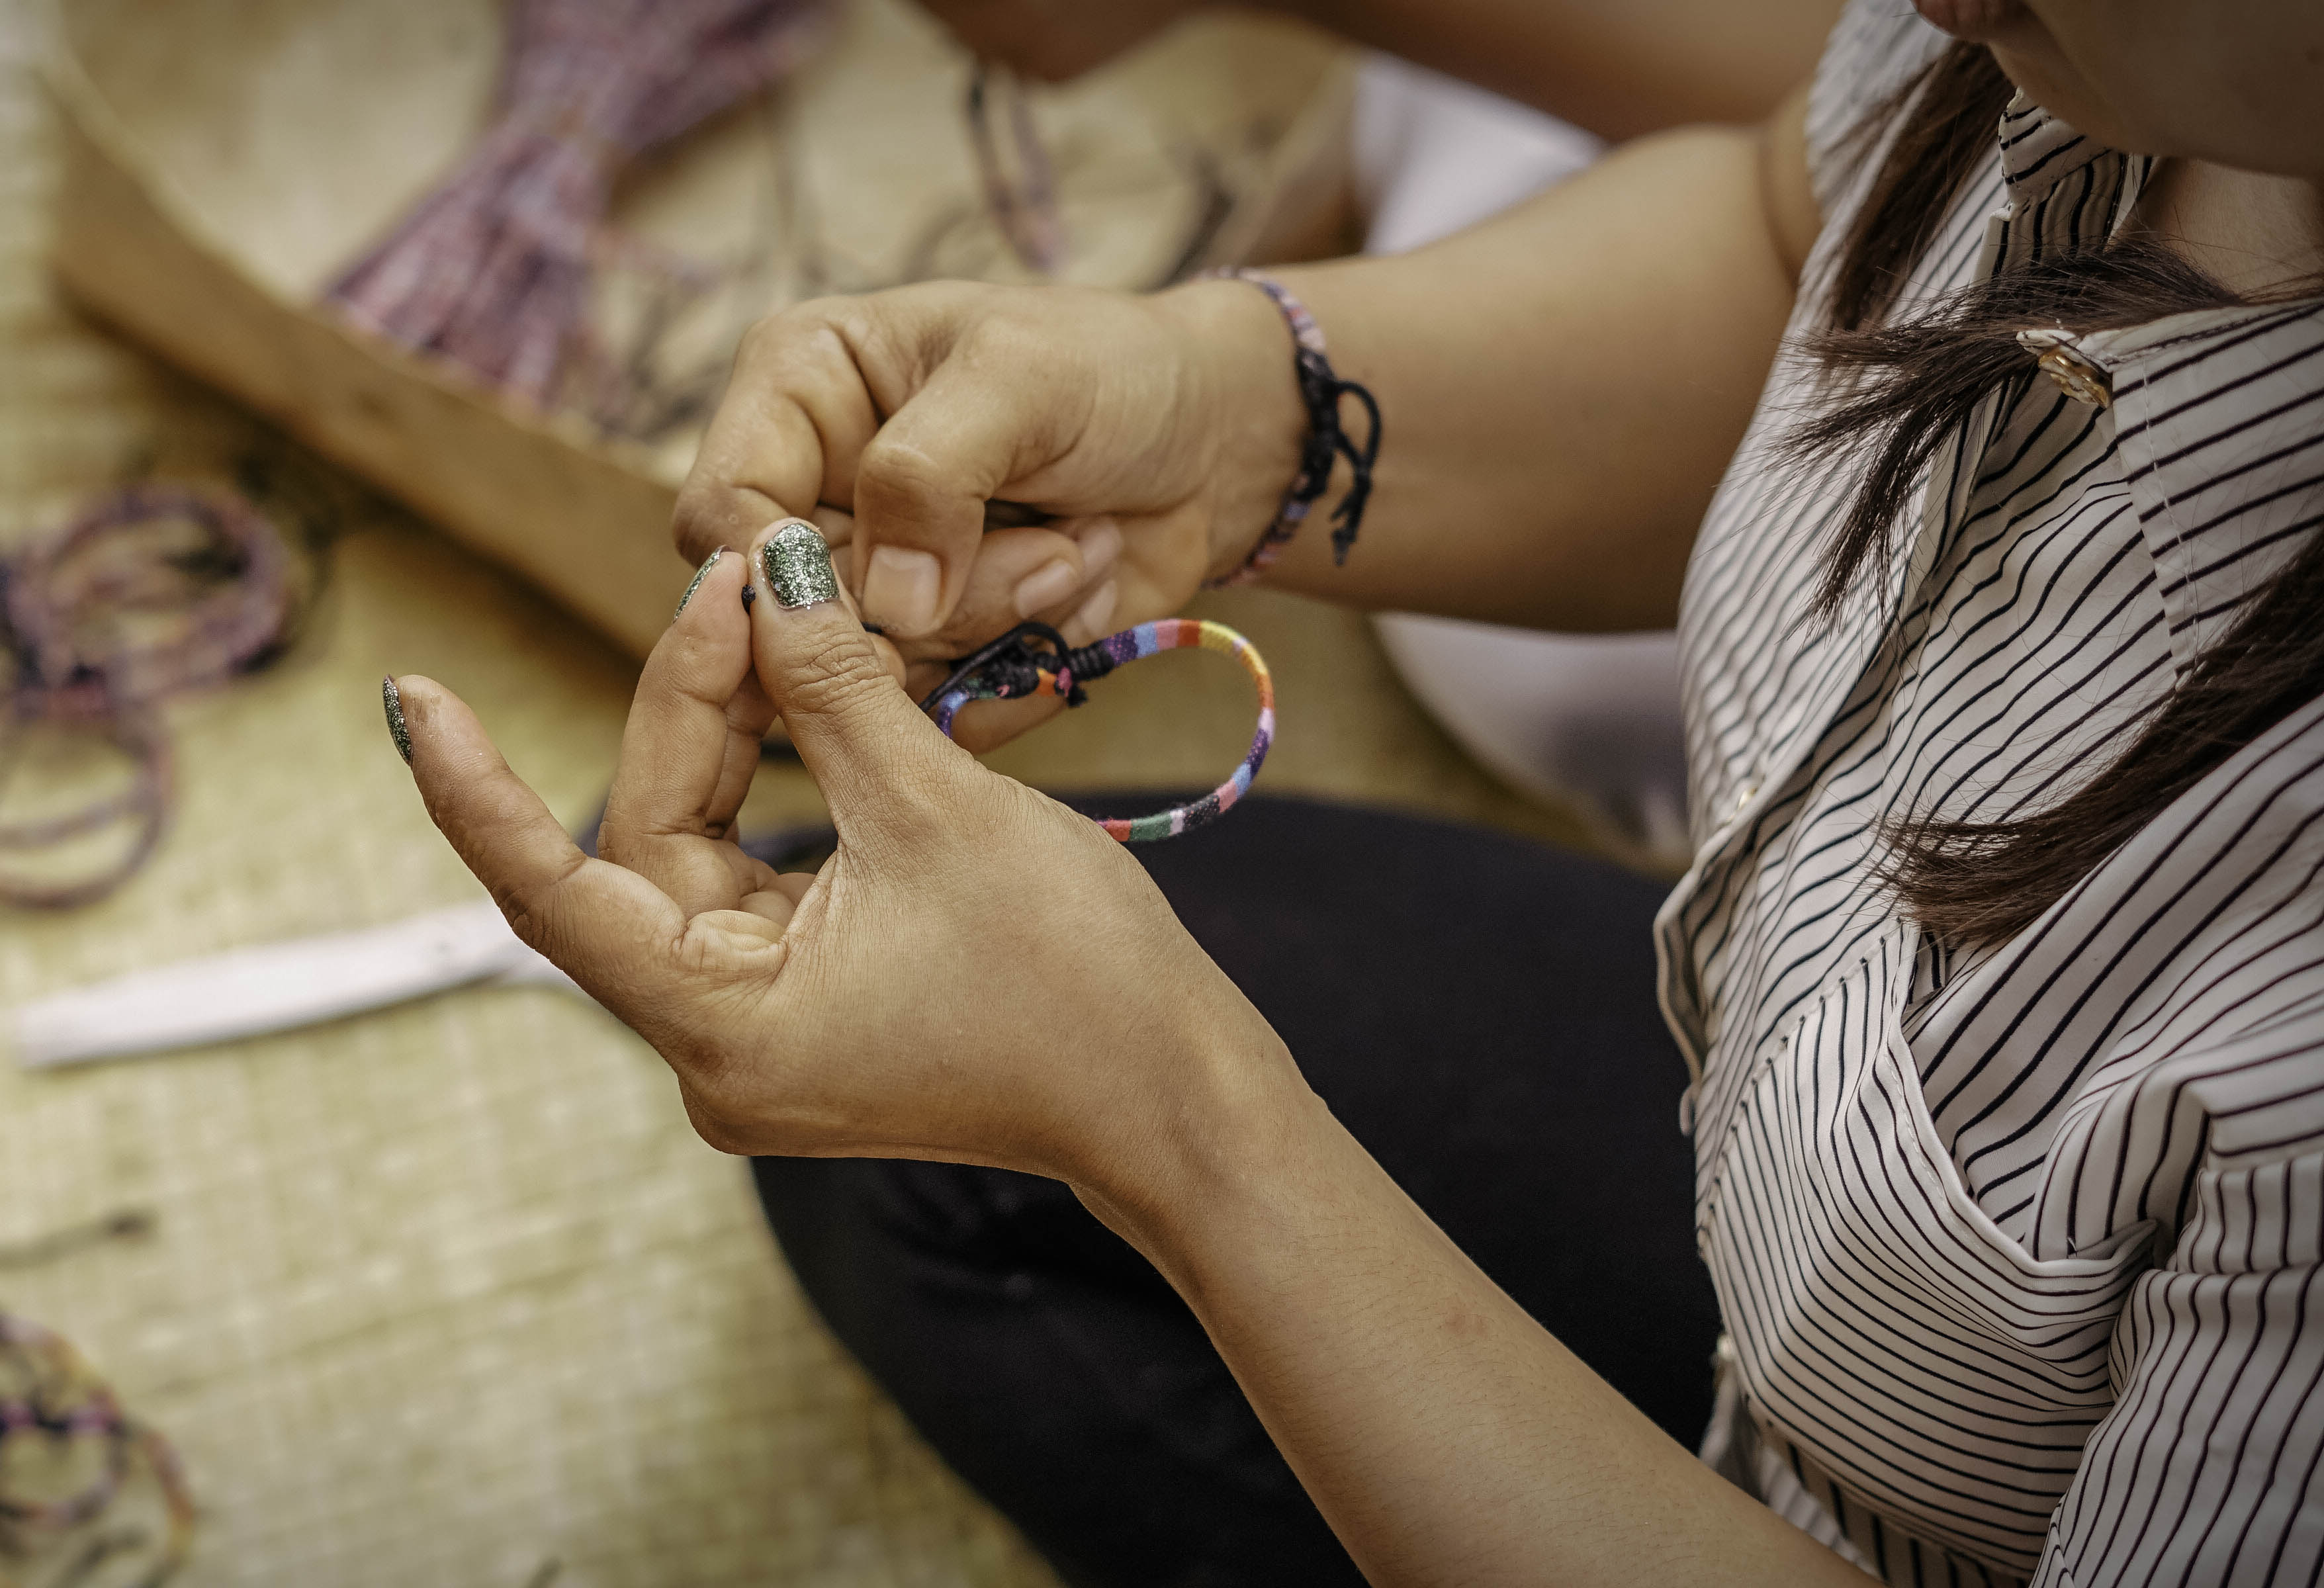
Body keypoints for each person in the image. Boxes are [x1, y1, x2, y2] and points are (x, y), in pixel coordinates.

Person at [386, 0, 2324, 1581]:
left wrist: (1183, 1128)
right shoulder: (2126, 68)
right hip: (1769, 1163)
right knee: (907, 1140)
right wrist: (1237, 415)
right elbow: (1792, 248)